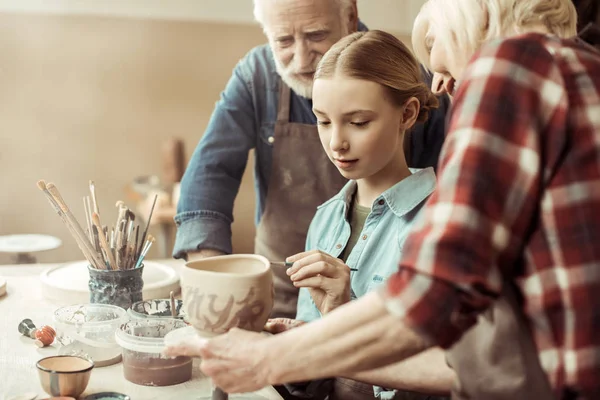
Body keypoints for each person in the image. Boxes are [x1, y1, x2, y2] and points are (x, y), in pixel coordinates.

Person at [165, 0, 600, 398]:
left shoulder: (512, 67)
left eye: (434, 46)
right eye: (323, 121)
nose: (443, 85)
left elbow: (435, 296)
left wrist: (269, 358)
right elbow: (478, 357)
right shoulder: (584, 67)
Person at [173, 0, 450, 319]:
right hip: (281, 295)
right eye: (284, 41)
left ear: (350, 16)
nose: (303, 60)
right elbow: (211, 172)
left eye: (316, 35)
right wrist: (210, 277)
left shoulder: (400, 77)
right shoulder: (325, 219)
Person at [267, 30, 452, 400]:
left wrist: (344, 312)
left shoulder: (440, 225)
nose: (337, 141)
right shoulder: (326, 220)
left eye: (358, 122)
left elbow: (440, 378)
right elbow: (319, 383)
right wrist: (296, 353)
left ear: (408, 114)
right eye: (323, 121)